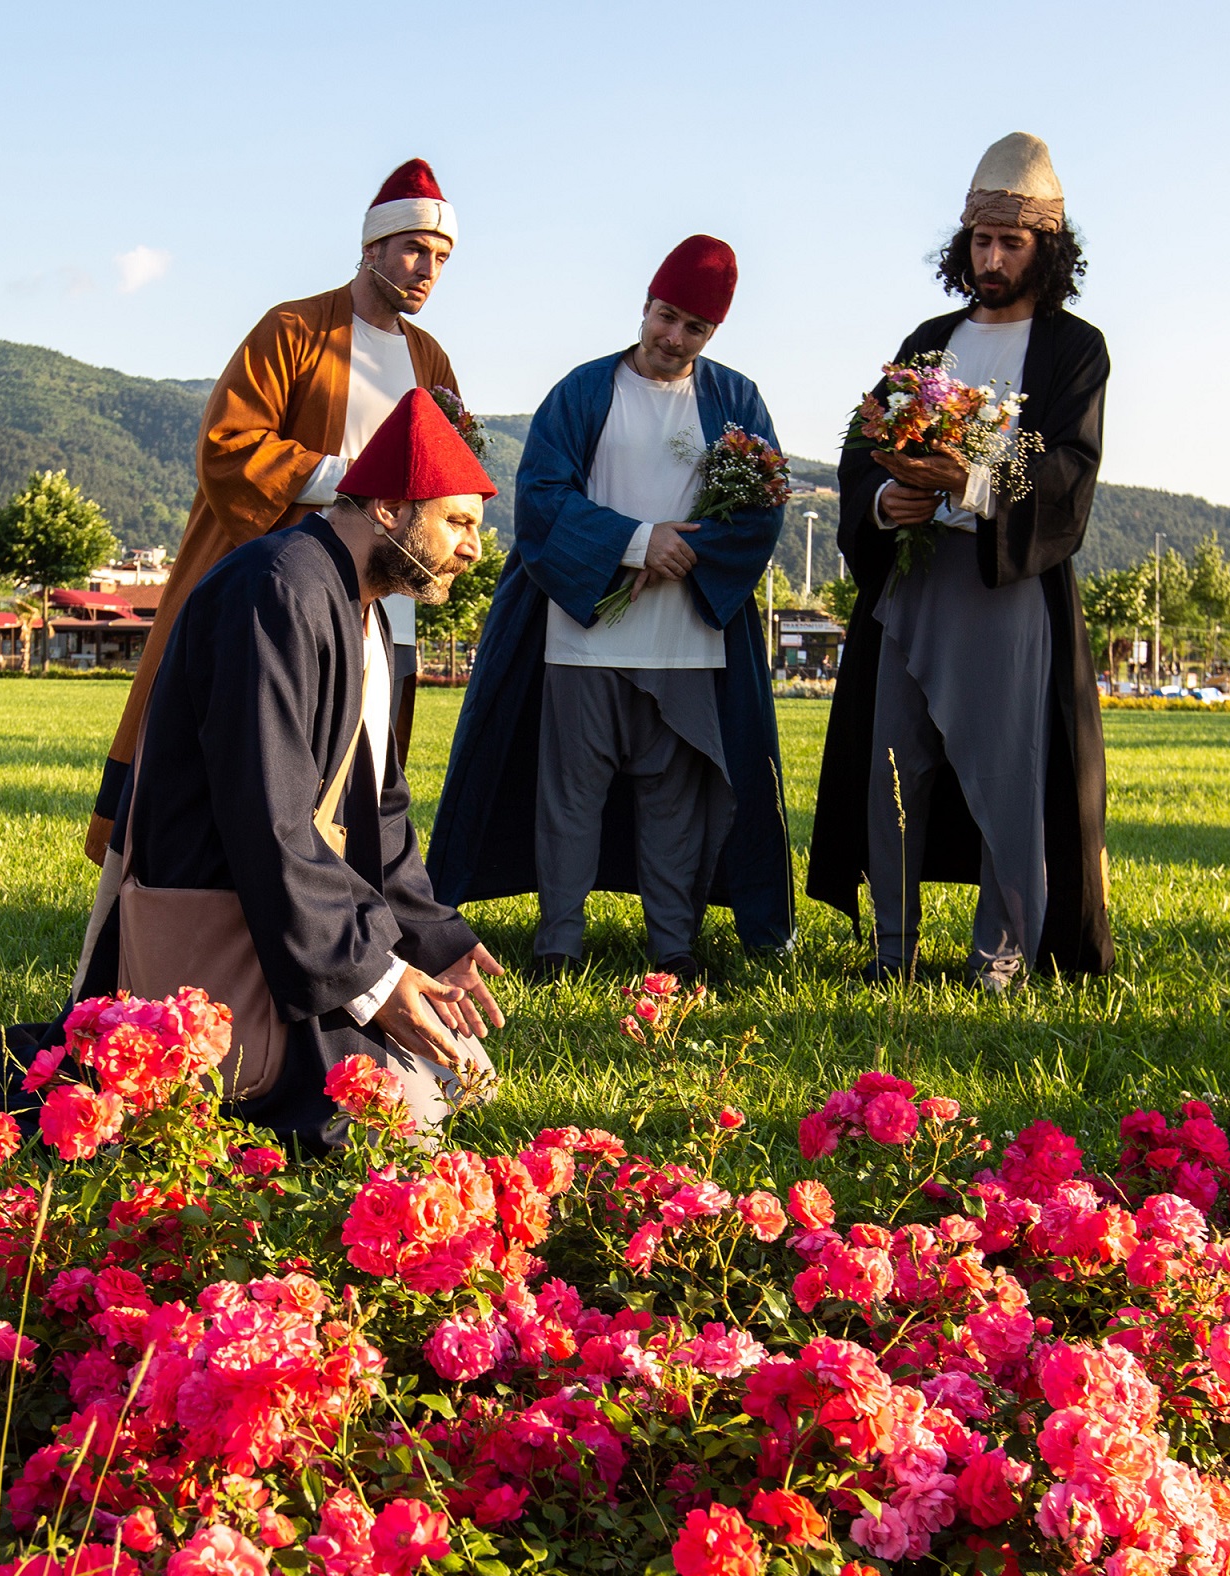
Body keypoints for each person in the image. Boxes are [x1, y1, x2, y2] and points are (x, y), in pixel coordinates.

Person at [75, 159, 471, 988]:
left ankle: (343, 928)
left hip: (381, 600)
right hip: (276, 594)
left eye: (441, 258)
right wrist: (356, 480)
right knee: (256, 760)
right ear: (371, 246)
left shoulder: (431, 359)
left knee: (364, 768)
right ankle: (182, 914)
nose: (427, 270)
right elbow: (228, 448)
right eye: (412, 249)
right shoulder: (294, 331)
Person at [81, 390, 506, 1149]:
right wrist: (374, 979)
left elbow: (379, 806)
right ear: (387, 508)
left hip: (289, 901)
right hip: (226, 895)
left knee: (464, 1074)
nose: (472, 549)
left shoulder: (362, 607)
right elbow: (264, 814)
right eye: (458, 523)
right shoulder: (276, 587)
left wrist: (434, 939)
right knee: (397, 1116)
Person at [428, 237, 790, 979]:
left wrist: (683, 553)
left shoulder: (736, 400)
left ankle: (673, 946)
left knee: (675, 803)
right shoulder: (584, 391)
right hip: (583, 639)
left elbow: (763, 507)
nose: (673, 337)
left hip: (686, 642)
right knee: (570, 797)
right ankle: (558, 942)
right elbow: (542, 499)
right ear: (645, 306)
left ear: (713, 332)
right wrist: (637, 544)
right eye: (666, 316)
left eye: (694, 327)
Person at [804, 132, 1113, 989]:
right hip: (912, 582)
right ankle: (892, 949)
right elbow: (864, 445)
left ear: (1046, 248)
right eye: (981, 240)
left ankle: (999, 955)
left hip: (1004, 584)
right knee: (892, 767)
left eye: (1010, 242)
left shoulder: (1074, 349)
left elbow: (1067, 471)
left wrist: (971, 483)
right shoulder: (929, 338)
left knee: (1006, 774)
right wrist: (884, 499)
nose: (991, 258)